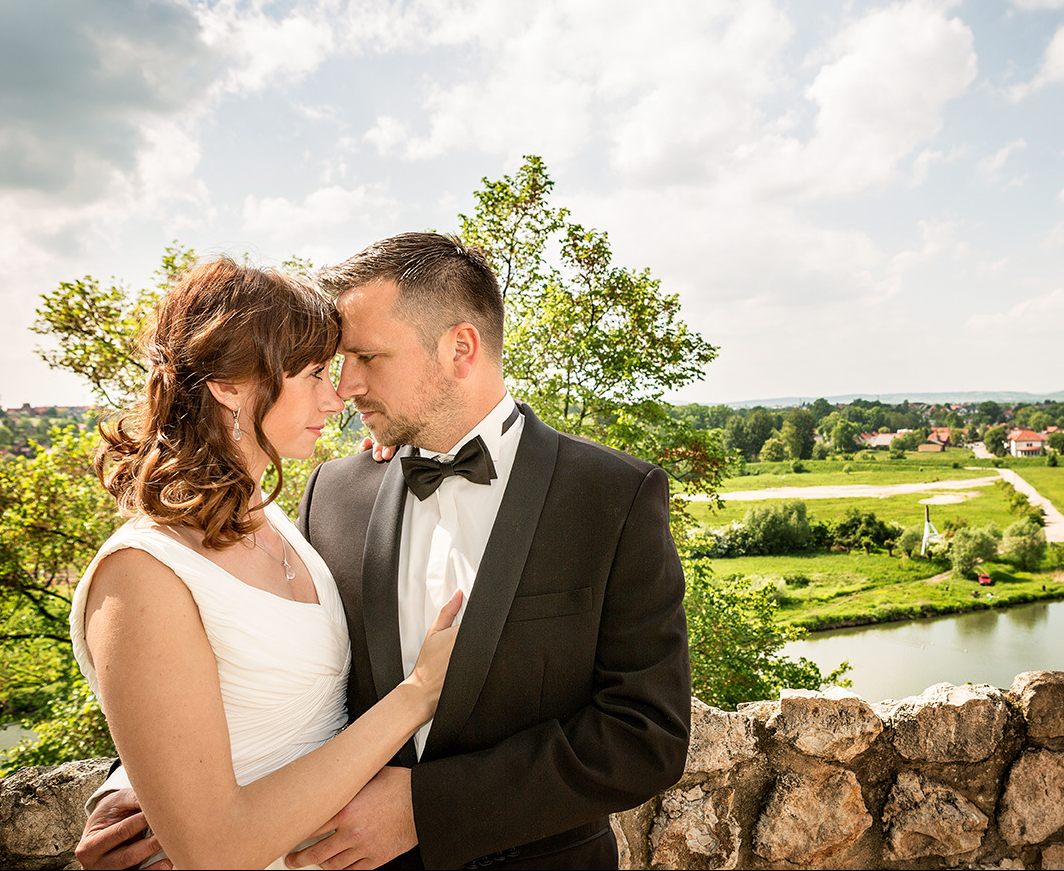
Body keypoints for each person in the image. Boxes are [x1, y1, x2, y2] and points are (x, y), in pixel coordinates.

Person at [78, 232, 692, 870]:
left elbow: (646, 736)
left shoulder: (612, 495)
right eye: (329, 364)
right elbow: (259, 671)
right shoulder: (334, 494)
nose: (345, 387)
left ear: (460, 348)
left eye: (366, 358)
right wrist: (138, 785)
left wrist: (426, 808)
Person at [69, 258, 462, 870]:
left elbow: (253, 694)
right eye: (312, 374)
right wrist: (420, 694)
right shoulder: (142, 573)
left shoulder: (278, 524)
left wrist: (406, 442)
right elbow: (214, 851)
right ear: (229, 384)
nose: (336, 398)